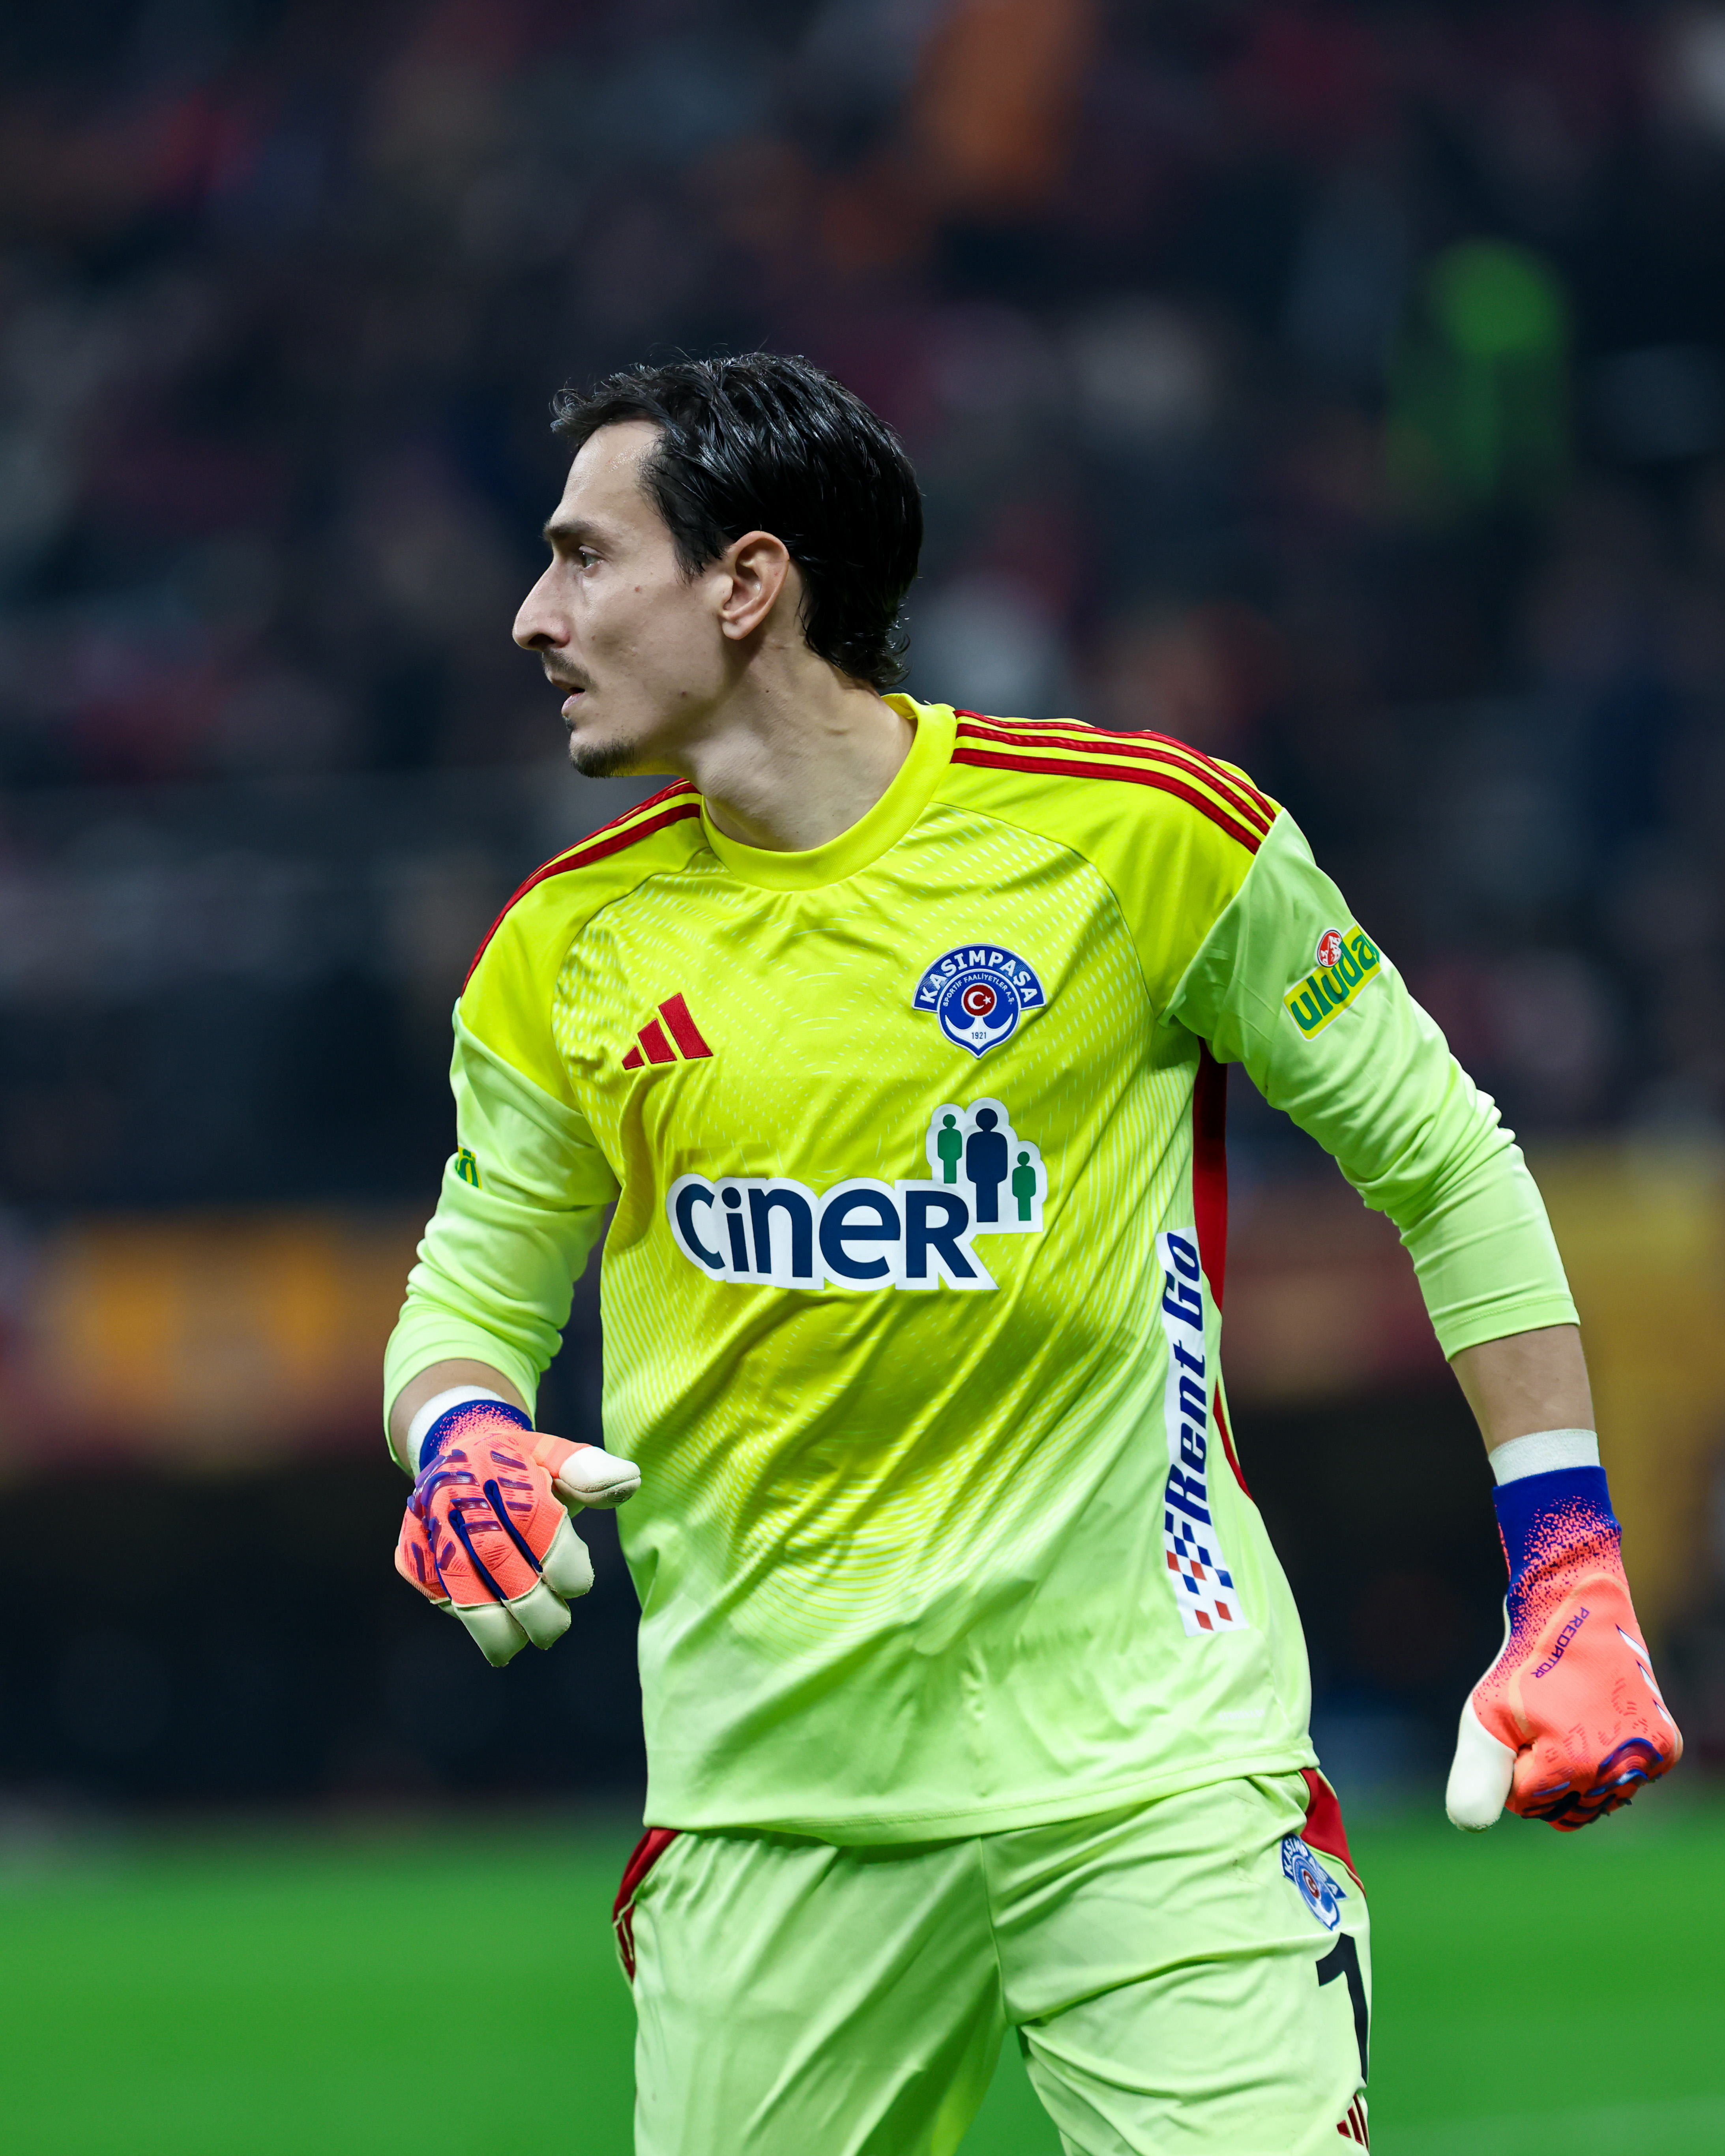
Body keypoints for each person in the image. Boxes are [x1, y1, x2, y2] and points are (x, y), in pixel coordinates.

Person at [385, 353, 1680, 2156]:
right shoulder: (562, 946)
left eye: (585, 557)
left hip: (1156, 1774)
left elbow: (1446, 1163)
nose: (535, 615)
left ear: (746, 583)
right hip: (773, 1807)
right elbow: (469, 1296)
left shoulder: (1139, 840)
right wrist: (458, 1432)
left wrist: (1568, 1564)